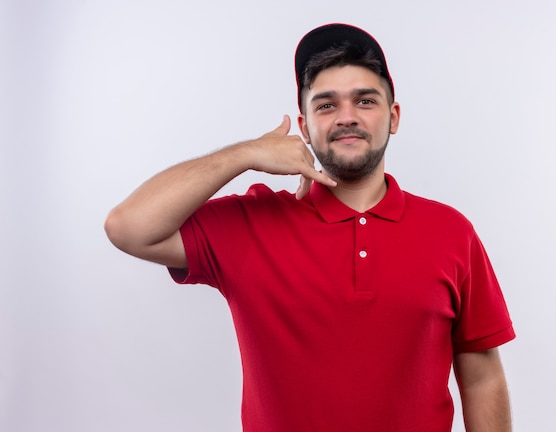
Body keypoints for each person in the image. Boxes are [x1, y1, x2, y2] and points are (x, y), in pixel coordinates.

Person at [105, 23, 515, 432]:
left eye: (365, 100)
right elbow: (129, 227)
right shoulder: (253, 224)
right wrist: (246, 153)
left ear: (393, 117)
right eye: (326, 105)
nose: (347, 117)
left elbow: (482, 376)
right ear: (304, 127)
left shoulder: (451, 232)